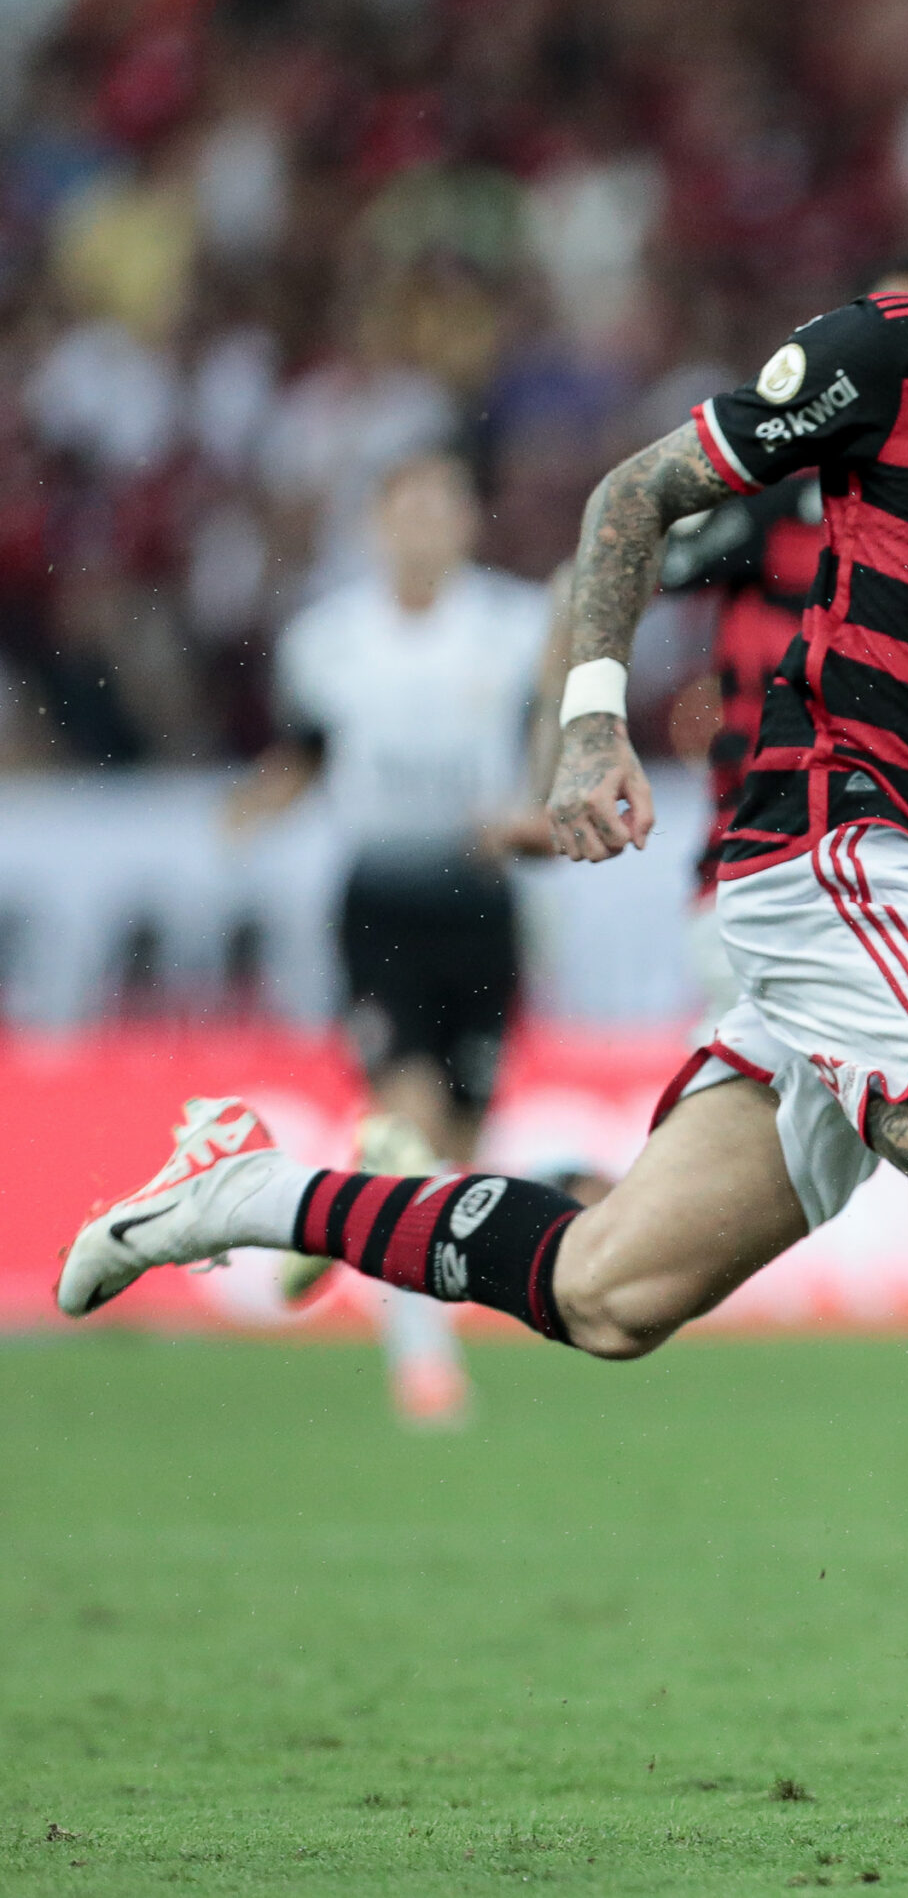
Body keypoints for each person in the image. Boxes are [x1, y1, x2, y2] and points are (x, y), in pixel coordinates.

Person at [62, 19, 908, 1794]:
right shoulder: (899, 352)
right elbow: (639, 495)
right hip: (833, 848)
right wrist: (585, 725)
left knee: (613, 1291)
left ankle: (247, 1191)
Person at [549, 255, 908, 1529]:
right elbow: (613, 542)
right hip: (779, 870)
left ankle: (428, 1195)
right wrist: (584, 730)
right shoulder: (774, 509)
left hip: (878, 872)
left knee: (635, 1262)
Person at [227, 448, 551, 1427]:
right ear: (377, 525)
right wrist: (254, 804)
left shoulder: (515, 625)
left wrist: (534, 812)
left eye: (438, 507)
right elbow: (309, 753)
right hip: (382, 903)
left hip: (484, 905)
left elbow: (551, 745)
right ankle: (424, 1365)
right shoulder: (328, 640)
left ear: (465, 522)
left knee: (457, 1144)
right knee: (406, 1117)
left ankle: (361, 1237)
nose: (420, 526)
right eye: (402, 509)